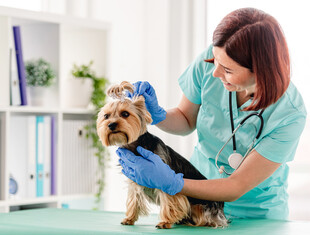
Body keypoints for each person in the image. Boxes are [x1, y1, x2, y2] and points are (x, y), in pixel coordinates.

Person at [116, 7, 307, 220]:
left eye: (227, 70)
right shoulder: (216, 57)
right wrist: (158, 115)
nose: (215, 72)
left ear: (260, 71)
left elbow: (236, 185)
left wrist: (172, 182)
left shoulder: (290, 113)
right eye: (215, 61)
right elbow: (186, 119)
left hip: (255, 212)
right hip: (198, 205)